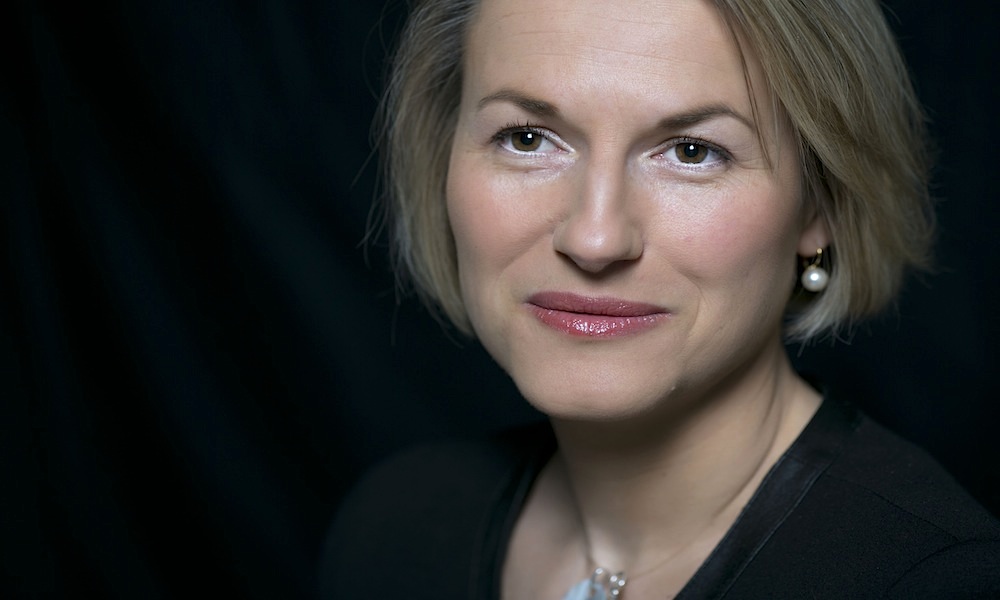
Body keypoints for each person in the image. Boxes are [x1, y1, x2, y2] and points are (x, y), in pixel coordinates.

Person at [321, 0, 1000, 597]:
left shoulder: (936, 582)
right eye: (526, 138)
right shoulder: (392, 534)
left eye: (692, 151)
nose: (594, 238)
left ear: (819, 205)